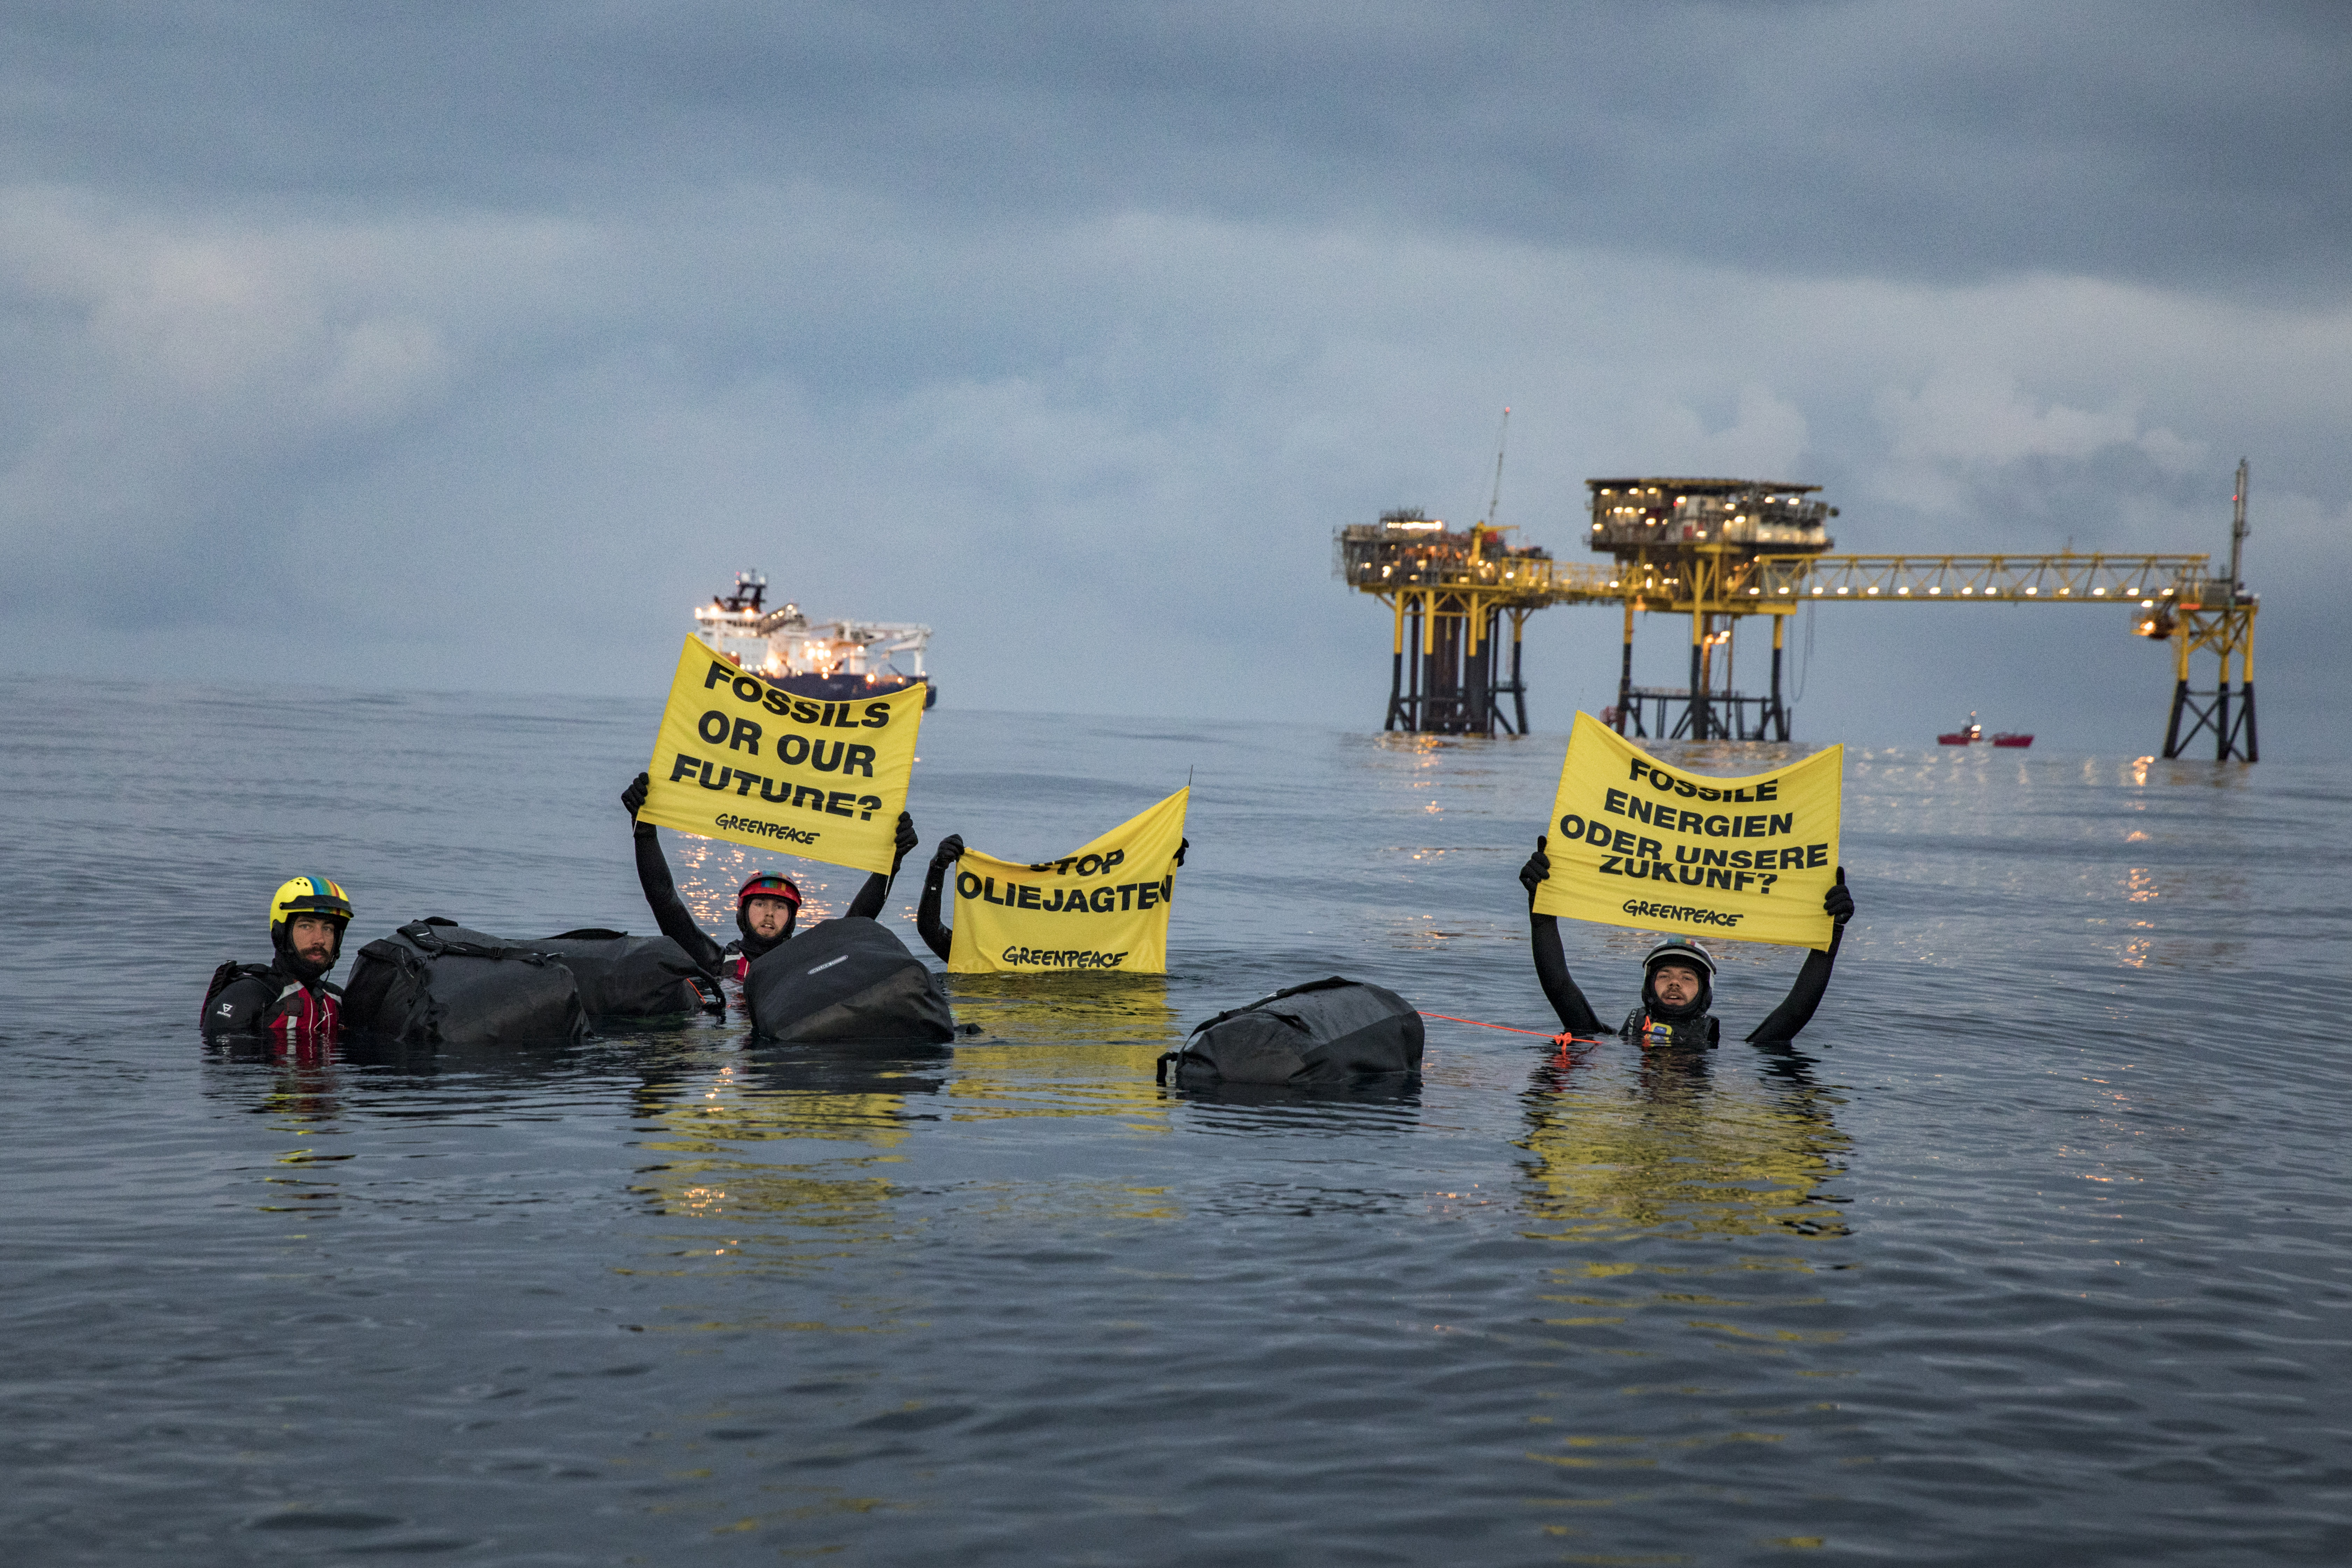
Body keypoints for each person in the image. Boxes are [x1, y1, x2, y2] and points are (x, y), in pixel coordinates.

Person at [1517, 836, 1854, 1048]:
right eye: (1665, 976)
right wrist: (1542, 908)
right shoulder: (1607, 1039)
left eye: (1688, 977)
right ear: (1649, 987)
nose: (1675, 983)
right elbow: (1559, 984)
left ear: (1705, 992)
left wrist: (1831, 933)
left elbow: (1797, 1008)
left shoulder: (1738, 1050)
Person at [621, 772, 917, 982]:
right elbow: (664, 899)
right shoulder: (714, 961)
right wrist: (644, 830)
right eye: (761, 904)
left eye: (780, 907)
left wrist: (890, 862)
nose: (769, 914)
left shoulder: (806, 962)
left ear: (791, 919)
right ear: (743, 912)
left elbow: (855, 922)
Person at [914, 832, 1187, 962]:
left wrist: (1157, 864)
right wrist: (938, 868)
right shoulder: (987, 952)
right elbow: (930, 929)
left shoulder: (1088, 956)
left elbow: (1123, 908)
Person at [202, 876, 354, 1041]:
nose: (320, 939)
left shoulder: (337, 999)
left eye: (328, 928)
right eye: (306, 926)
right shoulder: (248, 995)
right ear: (281, 933)